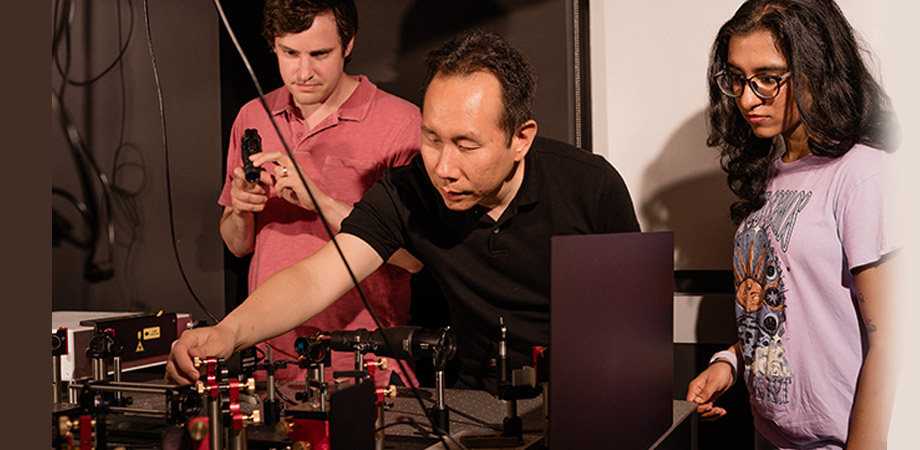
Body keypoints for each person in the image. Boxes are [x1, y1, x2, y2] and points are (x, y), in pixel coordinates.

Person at [169, 29, 639, 392]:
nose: (443, 167)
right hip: (465, 396)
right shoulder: (409, 189)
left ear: (521, 138)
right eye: (432, 139)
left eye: (466, 145)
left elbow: (633, 324)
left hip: (578, 399)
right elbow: (316, 277)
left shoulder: (589, 186)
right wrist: (228, 333)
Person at [685, 1, 900, 448]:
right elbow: (792, 311)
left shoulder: (862, 174)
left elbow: (894, 341)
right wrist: (730, 361)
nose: (747, 98)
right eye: (738, 79)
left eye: (767, 78)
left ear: (816, 70)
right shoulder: (769, 171)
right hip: (773, 437)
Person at [219, 0, 422, 385]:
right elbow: (236, 245)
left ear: (348, 44)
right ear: (272, 45)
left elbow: (413, 258)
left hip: (365, 363)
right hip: (270, 362)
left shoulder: (400, 123)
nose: (304, 72)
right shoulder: (252, 116)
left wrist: (322, 202)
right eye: (290, 54)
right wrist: (241, 210)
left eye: (320, 54)